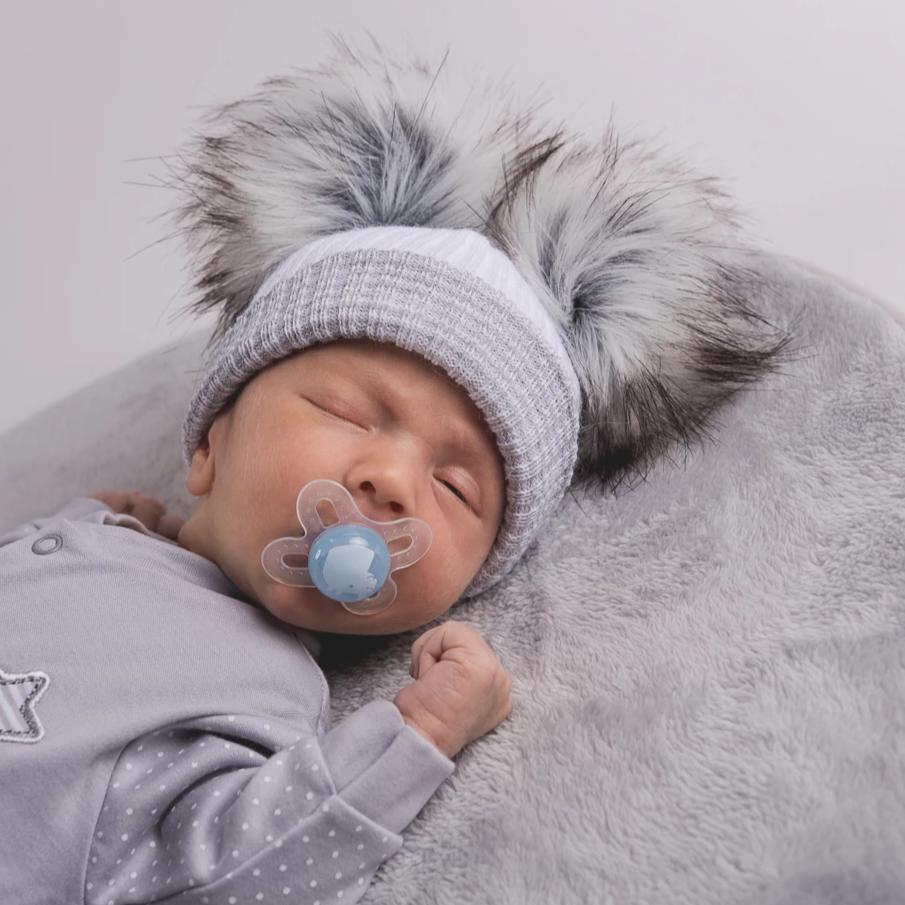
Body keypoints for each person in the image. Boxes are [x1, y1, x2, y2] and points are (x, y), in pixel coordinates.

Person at [0, 33, 794, 905]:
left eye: (457, 488)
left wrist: (413, 737)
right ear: (207, 446)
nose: (390, 480)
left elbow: (224, 870)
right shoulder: (104, 537)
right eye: (345, 413)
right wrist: (102, 531)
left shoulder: (259, 691)